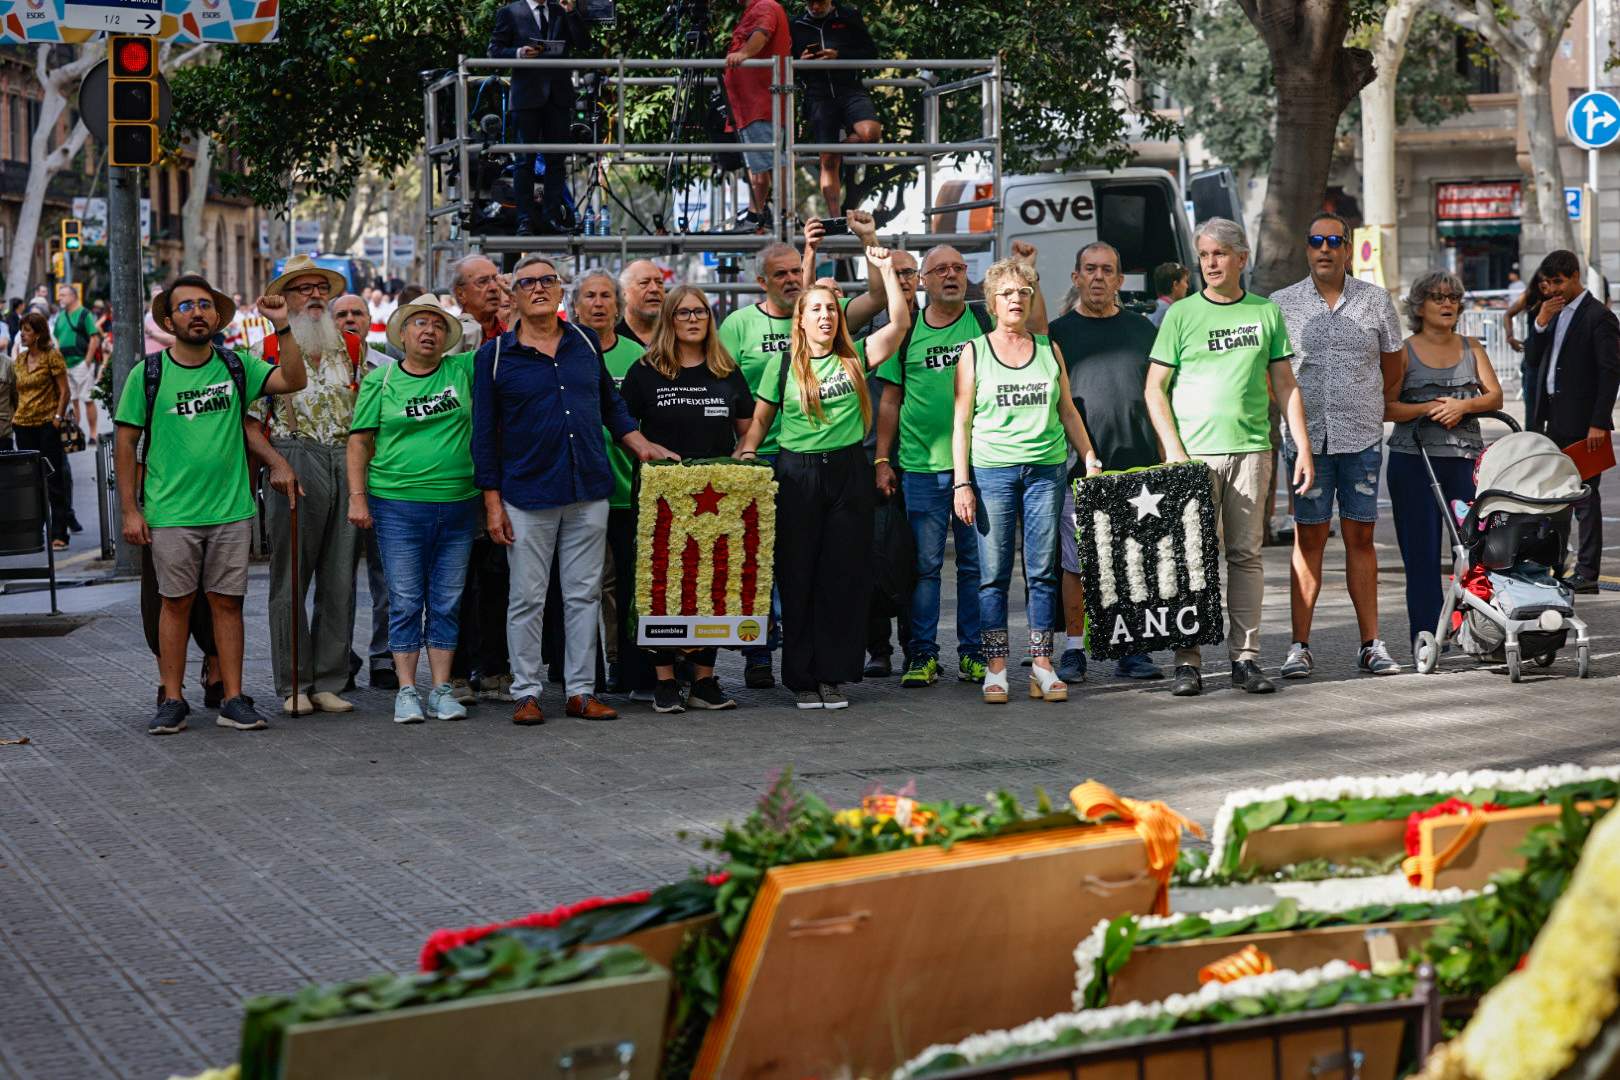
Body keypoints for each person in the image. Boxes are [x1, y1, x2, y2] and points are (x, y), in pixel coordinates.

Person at [472, 255, 677, 726]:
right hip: (526, 493)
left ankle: (581, 692)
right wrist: (492, 501)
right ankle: (526, 692)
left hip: (589, 487)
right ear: (515, 295)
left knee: (583, 595)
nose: (539, 288)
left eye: (548, 280)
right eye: (528, 283)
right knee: (527, 597)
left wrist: (641, 444)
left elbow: (612, 406)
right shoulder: (495, 356)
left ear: (561, 290)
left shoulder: (584, 342)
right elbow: (484, 434)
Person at [114, 274, 308, 736]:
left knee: (228, 604)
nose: (196, 312)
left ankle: (234, 698)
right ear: (169, 319)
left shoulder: (235, 365)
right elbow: (126, 442)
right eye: (185, 307)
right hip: (170, 514)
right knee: (174, 604)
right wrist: (129, 510)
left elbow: (294, 378)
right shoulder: (149, 374)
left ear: (217, 316)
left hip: (230, 510)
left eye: (204, 305)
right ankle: (172, 698)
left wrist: (284, 327)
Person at [1144, 217, 1314, 697]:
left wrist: (1301, 445)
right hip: (1193, 457)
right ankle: (1188, 662)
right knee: (1192, 559)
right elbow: (1154, 389)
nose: (1211, 263)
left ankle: (1245, 659)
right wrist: (1174, 450)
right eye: (1203, 255)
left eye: (1219, 253)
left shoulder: (1265, 312)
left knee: (1246, 556)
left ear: (1241, 258)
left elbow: (1285, 384)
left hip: (1251, 452)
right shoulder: (1181, 314)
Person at [874, 241, 1047, 689]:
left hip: (979, 470)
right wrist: (882, 458)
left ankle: (973, 654)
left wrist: (1027, 269)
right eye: (940, 270)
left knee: (976, 567)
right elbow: (890, 400)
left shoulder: (983, 323)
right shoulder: (906, 332)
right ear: (924, 281)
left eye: (958, 268)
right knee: (925, 568)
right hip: (920, 469)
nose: (950, 275)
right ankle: (922, 655)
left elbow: (1040, 332)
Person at [735, 266, 906, 709]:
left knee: (842, 577)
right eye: (816, 310)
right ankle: (801, 678)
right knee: (798, 576)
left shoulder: (855, 356)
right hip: (798, 476)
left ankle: (833, 676)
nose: (826, 316)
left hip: (848, 473)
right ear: (802, 320)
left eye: (832, 309)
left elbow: (901, 323)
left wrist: (887, 271)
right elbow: (760, 419)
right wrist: (749, 451)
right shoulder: (783, 364)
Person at [952, 256, 1102, 705]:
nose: (1015, 300)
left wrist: (1089, 453)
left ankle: (1042, 665)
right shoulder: (974, 352)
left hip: (1046, 471)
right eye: (1006, 293)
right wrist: (962, 483)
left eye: (1022, 292)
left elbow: (1067, 411)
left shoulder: (1048, 350)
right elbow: (960, 423)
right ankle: (995, 667)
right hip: (993, 472)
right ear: (991, 303)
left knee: (1042, 572)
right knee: (993, 574)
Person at [1271, 212, 1406, 679]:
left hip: (1361, 437)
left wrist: (1368, 403)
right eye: (1315, 241)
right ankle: (1298, 646)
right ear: (1306, 249)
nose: (1324, 248)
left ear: (1348, 248)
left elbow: (1394, 365)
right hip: (1306, 442)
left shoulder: (1375, 301)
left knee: (1361, 537)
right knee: (1308, 536)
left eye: (1334, 240)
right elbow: (1275, 374)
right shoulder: (1281, 303)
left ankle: (1371, 644)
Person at [620, 285, 758, 712]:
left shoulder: (725, 369)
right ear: (670, 320)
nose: (694, 319)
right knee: (662, 583)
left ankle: (704, 680)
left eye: (700, 312)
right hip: (663, 497)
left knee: (711, 583)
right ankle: (664, 680)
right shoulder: (646, 370)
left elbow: (748, 423)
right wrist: (648, 452)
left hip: (717, 498)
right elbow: (623, 426)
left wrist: (744, 453)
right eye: (683, 313)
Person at [347, 295, 480, 723]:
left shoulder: (463, 371)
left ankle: (441, 689)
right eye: (419, 323)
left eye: (438, 326)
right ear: (402, 334)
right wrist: (357, 497)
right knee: (404, 599)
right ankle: (406, 690)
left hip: (459, 504)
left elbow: (504, 343)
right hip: (398, 506)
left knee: (447, 599)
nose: (429, 331)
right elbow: (359, 441)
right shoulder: (381, 382)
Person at [1047, 241, 1163, 684]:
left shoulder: (1144, 331)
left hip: (1139, 467)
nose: (1098, 277)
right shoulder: (1056, 333)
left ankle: (1131, 649)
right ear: (1076, 278)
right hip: (1080, 470)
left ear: (1119, 280)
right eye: (1090, 269)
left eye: (1107, 270)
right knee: (1075, 565)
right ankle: (1075, 650)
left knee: (1134, 561)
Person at [259, 255, 367, 716]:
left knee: (341, 577)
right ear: (285, 299)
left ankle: (328, 680)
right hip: (294, 457)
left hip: (345, 460)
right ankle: (293, 683)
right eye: (303, 289)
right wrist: (276, 463)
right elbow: (247, 420)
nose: (315, 296)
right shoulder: (267, 347)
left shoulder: (353, 347)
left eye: (320, 288)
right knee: (290, 579)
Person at [1386, 270, 1504, 646]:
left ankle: (1477, 629)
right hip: (1413, 462)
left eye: (1453, 297)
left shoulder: (1472, 346)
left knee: (1474, 550)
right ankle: (1426, 633)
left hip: (1464, 461)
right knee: (1420, 554)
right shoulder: (1403, 351)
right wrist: (1427, 409)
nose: (1448, 303)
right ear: (1419, 306)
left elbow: (1495, 397)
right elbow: (1387, 408)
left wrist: (1463, 405)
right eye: (1438, 297)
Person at [718, 240, 804, 688]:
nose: (791, 279)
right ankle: (758, 653)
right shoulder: (738, 324)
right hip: (758, 456)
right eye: (781, 274)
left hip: (809, 454)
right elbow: (724, 386)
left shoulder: (819, 318)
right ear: (762, 282)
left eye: (796, 271)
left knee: (799, 558)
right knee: (758, 560)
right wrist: (741, 445)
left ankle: (802, 650)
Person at [1522, 250, 1618, 591]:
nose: (1553, 290)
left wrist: (1598, 422)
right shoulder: (1549, 311)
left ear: (1575, 275)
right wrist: (1541, 324)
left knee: (1585, 499)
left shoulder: (1598, 317)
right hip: (1552, 419)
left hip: (1583, 422)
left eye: (1559, 282)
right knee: (1551, 497)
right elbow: (1533, 359)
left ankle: (1588, 574)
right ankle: (1555, 564)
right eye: (1548, 283)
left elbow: (1610, 374)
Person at [572, 269, 648, 697]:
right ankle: (590, 671)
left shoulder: (637, 355)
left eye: (606, 296)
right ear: (576, 306)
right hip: (584, 492)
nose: (598, 304)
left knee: (625, 587)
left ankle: (623, 664)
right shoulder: (566, 351)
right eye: (589, 297)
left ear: (618, 306)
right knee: (592, 586)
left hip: (629, 491)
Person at [331, 292, 398, 690]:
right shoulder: (317, 370)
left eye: (357, 312)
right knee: (337, 577)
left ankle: (384, 656)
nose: (350, 319)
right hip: (333, 482)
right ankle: (337, 657)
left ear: (370, 319)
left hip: (381, 483)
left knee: (386, 576)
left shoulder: (389, 369)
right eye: (341, 314)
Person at [487, 0, 591, 234]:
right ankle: (525, 219)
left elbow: (584, 43)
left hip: (558, 96)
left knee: (556, 160)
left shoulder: (559, 10)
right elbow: (494, 50)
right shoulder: (510, 12)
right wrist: (519, 53)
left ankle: (552, 217)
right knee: (525, 161)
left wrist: (572, 12)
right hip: (526, 98)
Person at [790, 0, 881, 216]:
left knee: (871, 133)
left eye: (819, 2)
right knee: (828, 161)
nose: (815, 7)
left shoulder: (848, 15)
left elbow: (870, 52)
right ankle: (835, 218)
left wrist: (838, 55)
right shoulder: (795, 23)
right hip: (818, 95)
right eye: (810, 3)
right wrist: (800, 61)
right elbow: (786, 63)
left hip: (850, 89)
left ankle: (842, 145)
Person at [724, 0, 793, 233]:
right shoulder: (757, 8)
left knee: (769, 164)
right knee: (763, 166)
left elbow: (762, 34)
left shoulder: (765, 6)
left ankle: (779, 215)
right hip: (753, 104)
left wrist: (743, 53)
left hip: (759, 102)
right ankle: (761, 215)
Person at [10, 313, 71, 548]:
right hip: (23, 425)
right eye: (22, 330)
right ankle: (34, 534)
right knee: (30, 482)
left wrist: (57, 418)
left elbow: (64, 391)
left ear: (37, 334)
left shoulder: (52, 357)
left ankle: (59, 533)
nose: (22, 335)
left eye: (26, 330)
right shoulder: (20, 360)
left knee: (53, 479)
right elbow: (17, 392)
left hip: (47, 425)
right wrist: (15, 416)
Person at [54, 283, 102, 445]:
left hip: (82, 362)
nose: (60, 298)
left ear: (73, 296)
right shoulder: (60, 317)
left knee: (87, 399)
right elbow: (58, 340)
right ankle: (76, 435)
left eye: (63, 295)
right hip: (66, 366)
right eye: (60, 295)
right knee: (73, 400)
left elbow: (94, 338)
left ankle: (94, 434)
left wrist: (87, 361)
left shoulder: (84, 314)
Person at [617, 260, 667, 346]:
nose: (654, 289)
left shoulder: (676, 333)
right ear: (623, 292)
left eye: (659, 283)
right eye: (644, 283)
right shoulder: (610, 336)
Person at [1150, 262, 1189, 328]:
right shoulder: (1166, 311)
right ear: (1175, 285)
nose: (1187, 286)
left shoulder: (1157, 306)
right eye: (1185, 281)